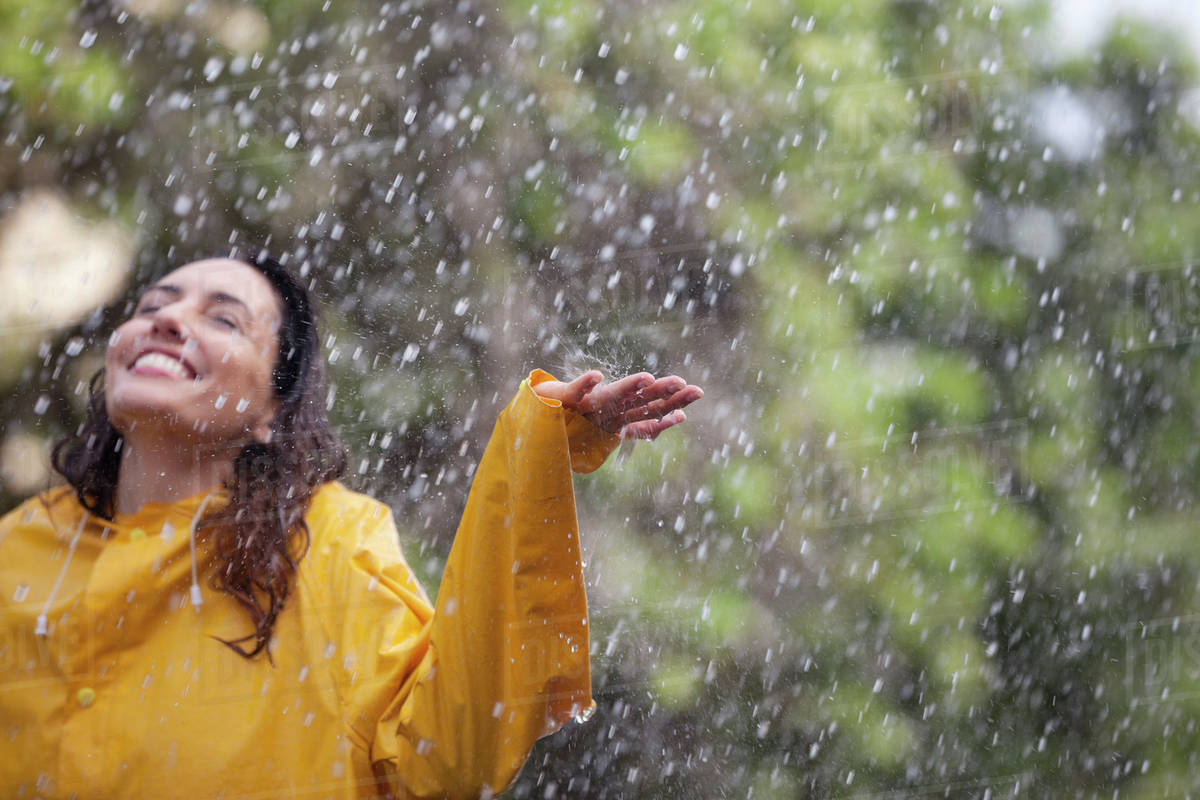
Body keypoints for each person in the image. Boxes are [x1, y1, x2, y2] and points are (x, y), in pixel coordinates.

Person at [0, 253, 702, 798]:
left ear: (271, 410)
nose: (166, 319)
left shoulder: (329, 542)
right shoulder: (19, 546)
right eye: (153, 305)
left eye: (223, 319)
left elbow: (451, 755)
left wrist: (536, 443)